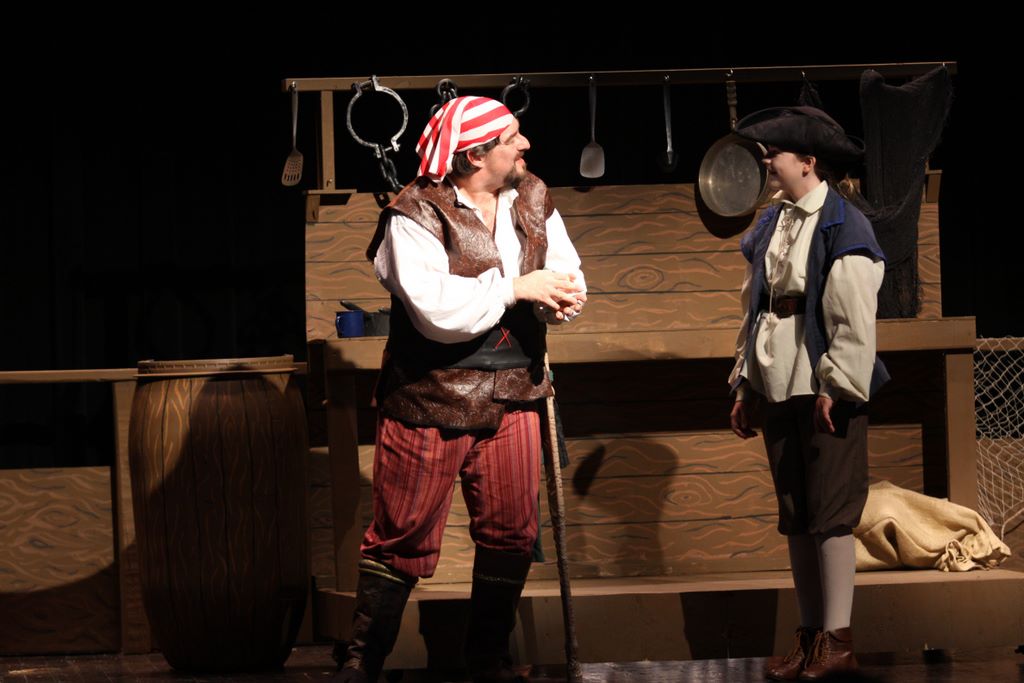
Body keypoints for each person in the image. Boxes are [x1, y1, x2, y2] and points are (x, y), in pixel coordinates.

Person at [334, 95, 586, 683]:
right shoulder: (414, 214)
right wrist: (517, 288)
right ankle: (362, 663)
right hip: (431, 395)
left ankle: (487, 660)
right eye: (512, 137)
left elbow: (564, 270)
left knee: (511, 533)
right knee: (402, 536)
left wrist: (561, 298)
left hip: (515, 391)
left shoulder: (533, 197)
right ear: (475, 154)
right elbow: (435, 311)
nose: (525, 145)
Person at [726, 107, 889, 680]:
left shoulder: (843, 222)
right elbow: (755, 306)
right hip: (777, 379)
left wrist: (838, 384)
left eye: (776, 153)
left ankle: (838, 641)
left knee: (831, 513)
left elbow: (853, 312)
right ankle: (811, 634)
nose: (767, 162)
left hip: (821, 380)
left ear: (808, 162)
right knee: (796, 513)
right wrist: (745, 382)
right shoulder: (772, 222)